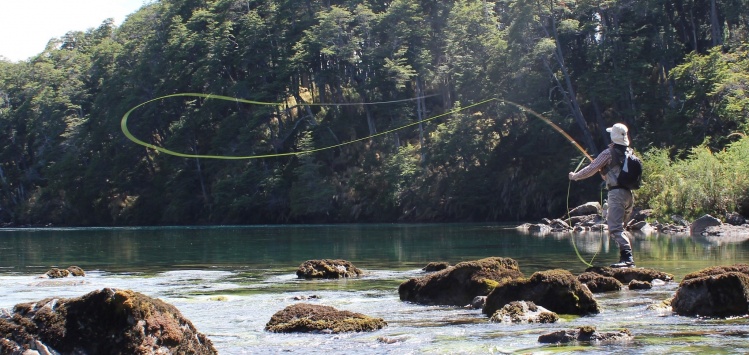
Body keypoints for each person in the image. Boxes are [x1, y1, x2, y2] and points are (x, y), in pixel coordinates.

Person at [568, 123, 635, 268]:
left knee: (615, 229)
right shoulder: (630, 153)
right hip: (629, 194)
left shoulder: (607, 153)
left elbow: (591, 169)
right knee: (621, 228)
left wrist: (575, 176)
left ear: (613, 136)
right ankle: (625, 258)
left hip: (616, 194)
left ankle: (628, 259)